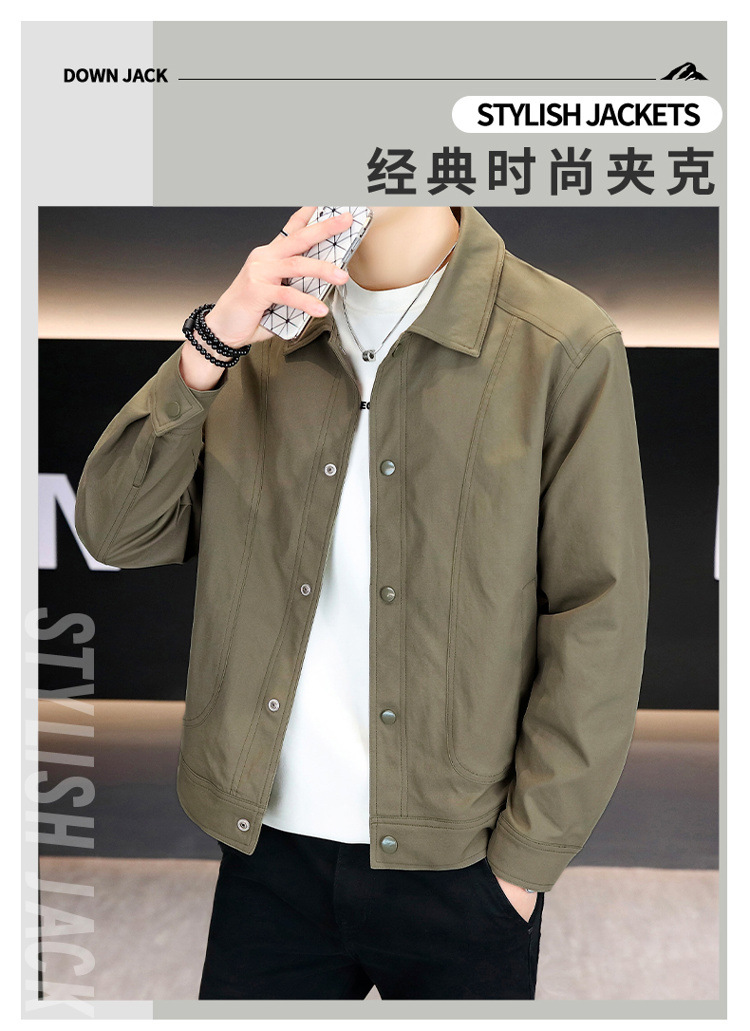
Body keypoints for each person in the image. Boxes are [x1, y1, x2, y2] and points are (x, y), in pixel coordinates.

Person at [74, 205, 650, 1000]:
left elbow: (598, 617)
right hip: (270, 850)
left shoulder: (560, 341)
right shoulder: (262, 331)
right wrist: (215, 340)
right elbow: (116, 530)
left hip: (462, 861)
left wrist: (523, 863)